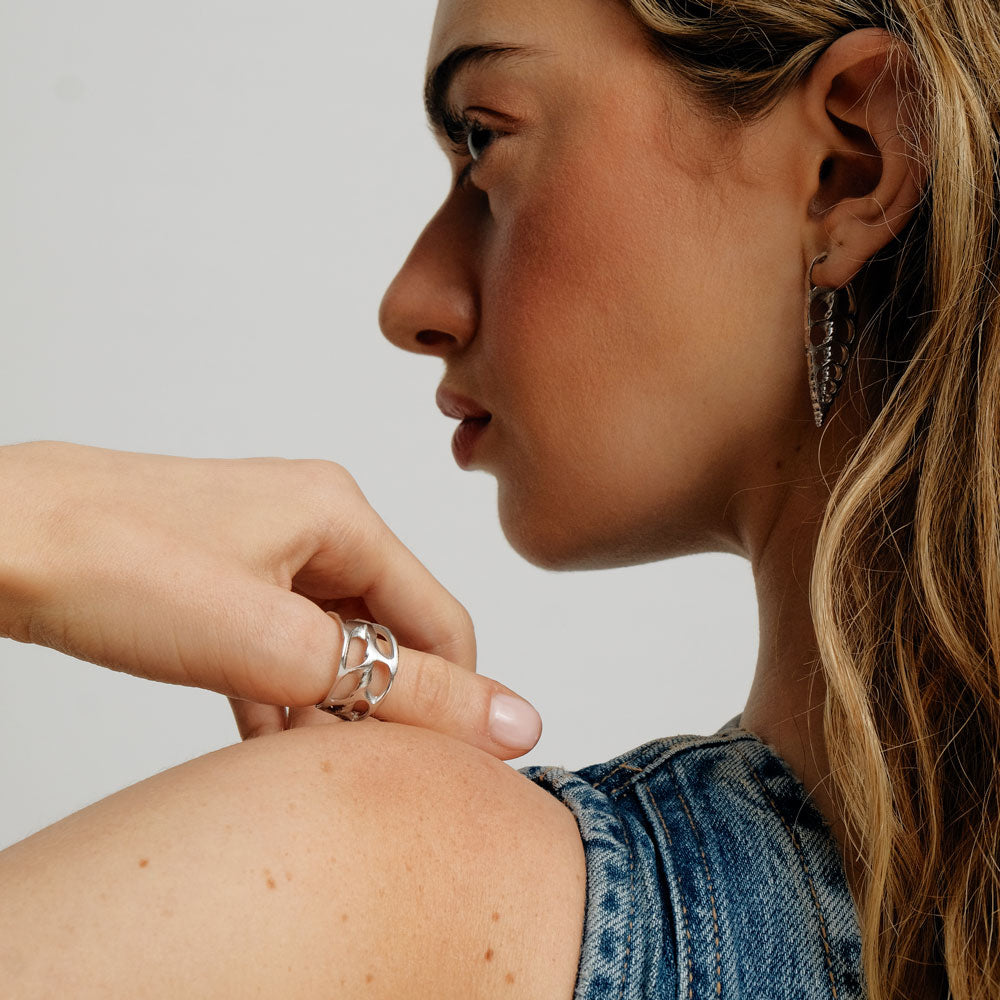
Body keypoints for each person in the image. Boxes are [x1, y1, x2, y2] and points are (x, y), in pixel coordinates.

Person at [0, 0, 995, 997]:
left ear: (849, 163)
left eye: (484, 138)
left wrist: (32, 522)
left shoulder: (403, 886)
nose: (409, 301)